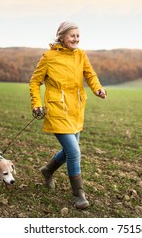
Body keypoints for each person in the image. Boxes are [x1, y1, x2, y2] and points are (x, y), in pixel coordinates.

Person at [29, 21, 107, 209]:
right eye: (72, 35)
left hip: (76, 109)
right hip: (56, 110)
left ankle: (47, 171)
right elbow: (34, 81)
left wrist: (98, 89)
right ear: (62, 37)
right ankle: (79, 194)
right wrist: (36, 103)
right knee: (74, 152)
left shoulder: (81, 55)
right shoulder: (48, 57)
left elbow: (90, 75)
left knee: (69, 151)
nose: (76, 39)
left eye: (78, 36)